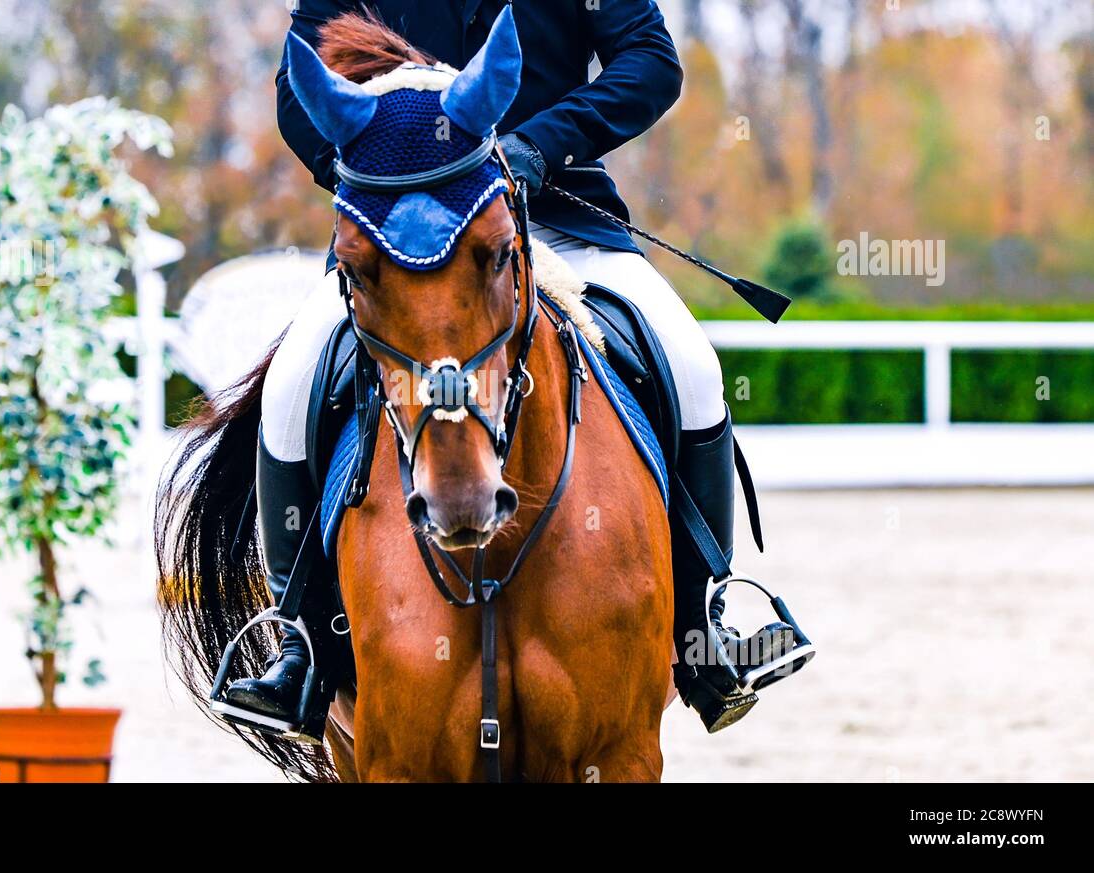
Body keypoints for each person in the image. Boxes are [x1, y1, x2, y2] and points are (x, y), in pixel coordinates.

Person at [225, 0, 800, 735]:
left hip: (553, 208)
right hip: (408, 229)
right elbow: (295, 88)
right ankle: (301, 645)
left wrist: (537, 146)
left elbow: (651, 63)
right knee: (291, 383)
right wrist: (385, 171)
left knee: (691, 362)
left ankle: (702, 628)